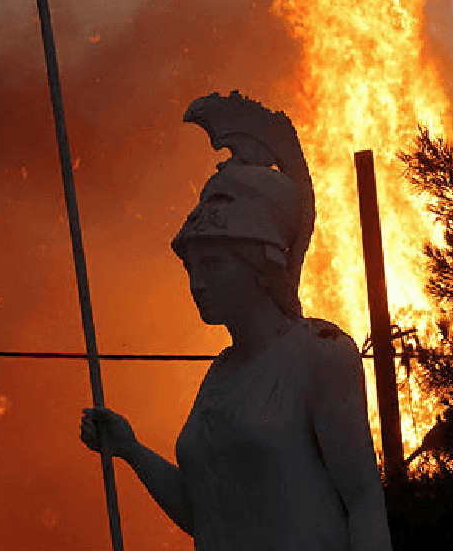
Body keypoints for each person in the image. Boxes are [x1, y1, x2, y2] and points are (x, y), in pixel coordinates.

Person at [80, 91, 393, 551]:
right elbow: (203, 511)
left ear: (258, 265)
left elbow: (364, 500)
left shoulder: (320, 354)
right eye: (192, 268)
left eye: (213, 265)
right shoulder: (219, 375)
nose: (197, 283)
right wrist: (129, 450)